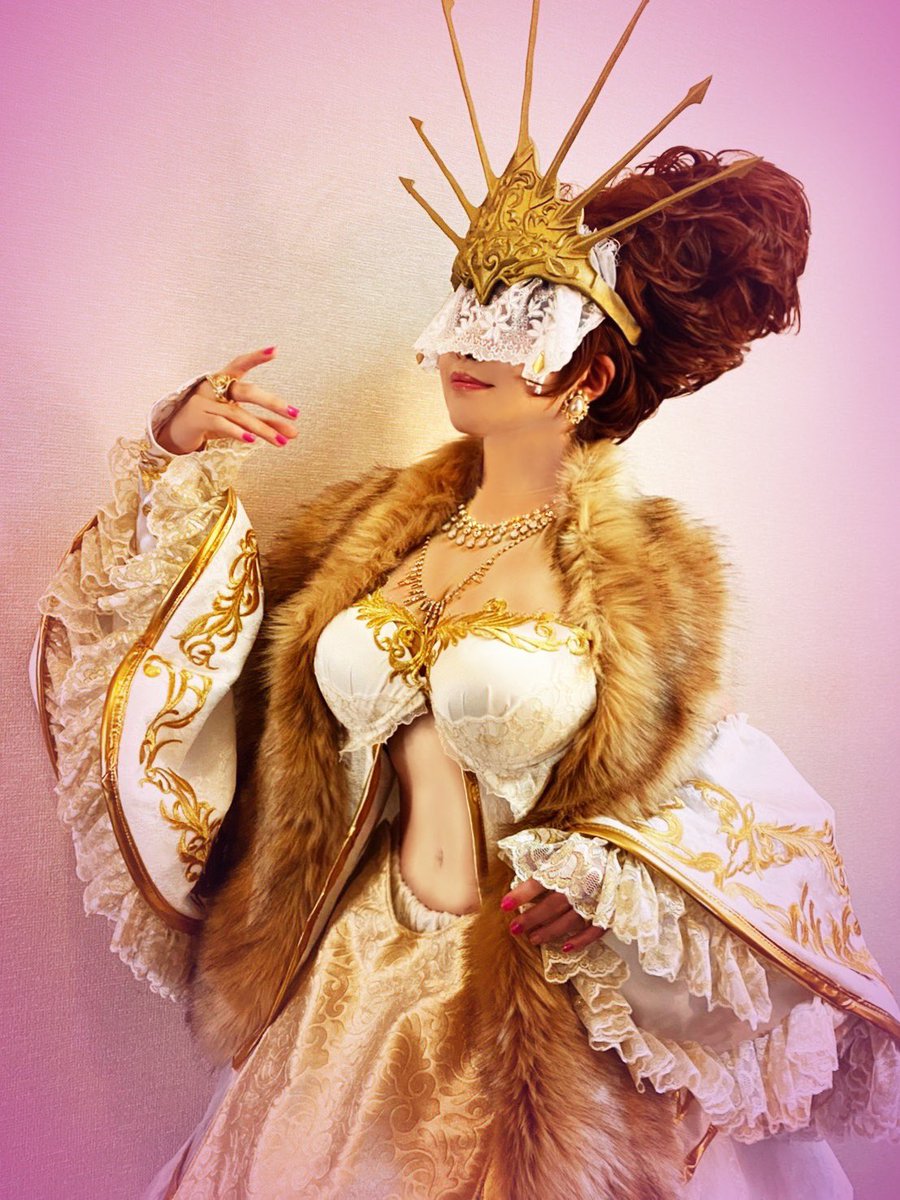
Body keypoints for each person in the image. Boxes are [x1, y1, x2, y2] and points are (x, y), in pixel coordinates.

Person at [30, 3, 899, 1197]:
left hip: (532, 1020)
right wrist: (180, 454)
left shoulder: (644, 577)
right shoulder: (366, 533)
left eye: (517, 317)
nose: (462, 346)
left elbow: (717, 786)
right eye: (466, 308)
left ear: (591, 370)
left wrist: (621, 891)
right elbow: (207, 667)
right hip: (344, 990)